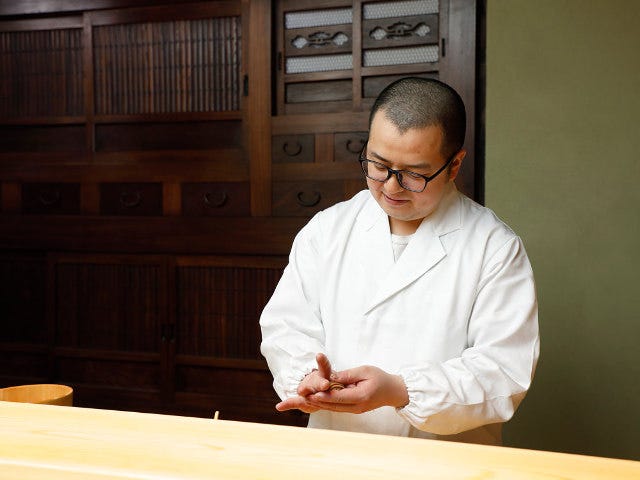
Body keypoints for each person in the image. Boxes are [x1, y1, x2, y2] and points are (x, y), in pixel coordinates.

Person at [259, 77, 539, 445]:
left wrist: (400, 391)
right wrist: (307, 375)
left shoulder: (494, 248)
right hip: (337, 451)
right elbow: (286, 325)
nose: (391, 186)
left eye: (413, 174)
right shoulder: (327, 230)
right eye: (378, 164)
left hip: (444, 461)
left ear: (454, 165)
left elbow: (503, 371)